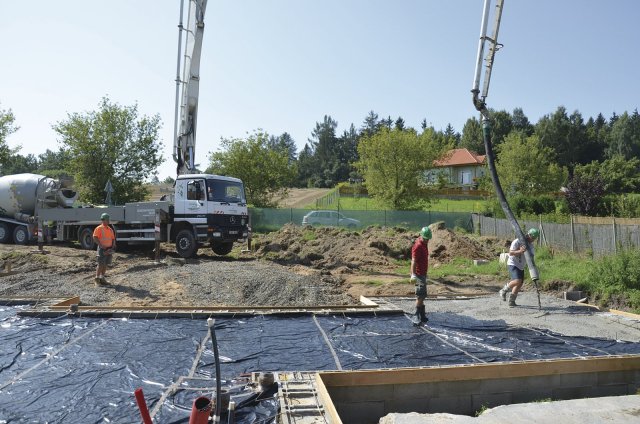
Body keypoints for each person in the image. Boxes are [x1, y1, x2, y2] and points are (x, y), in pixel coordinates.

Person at [499, 228, 540, 307]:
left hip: (521, 266)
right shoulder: (517, 241)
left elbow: (531, 256)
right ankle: (503, 290)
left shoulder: (530, 245)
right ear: (529, 235)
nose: (533, 240)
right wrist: (520, 251)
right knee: (517, 280)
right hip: (513, 263)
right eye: (533, 238)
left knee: (519, 284)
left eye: (535, 239)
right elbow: (510, 253)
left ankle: (511, 301)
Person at [410, 226, 431, 324]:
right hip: (418, 275)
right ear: (422, 236)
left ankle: (422, 315)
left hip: (423, 274)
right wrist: (413, 274)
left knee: (423, 295)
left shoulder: (424, 243)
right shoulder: (418, 246)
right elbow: (413, 261)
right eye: (426, 238)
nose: (427, 240)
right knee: (420, 295)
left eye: (428, 239)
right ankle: (416, 315)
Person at [93, 213, 116, 285]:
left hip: (109, 249)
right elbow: (95, 237)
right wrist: (100, 245)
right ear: (103, 220)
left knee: (105, 264)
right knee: (100, 264)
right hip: (102, 249)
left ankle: (102, 278)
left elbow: (113, 238)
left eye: (108, 220)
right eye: (107, 220)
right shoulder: (99, 228)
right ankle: (97, 279)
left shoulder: (110, 229)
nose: (108, 221)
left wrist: (114, 244)